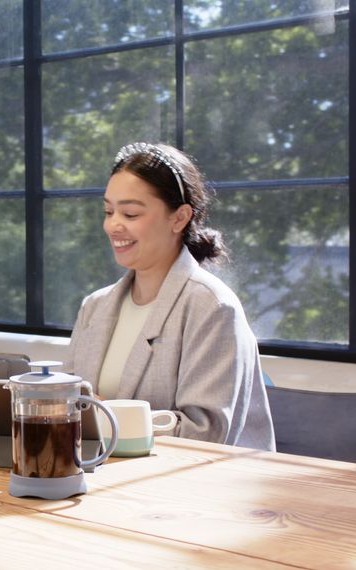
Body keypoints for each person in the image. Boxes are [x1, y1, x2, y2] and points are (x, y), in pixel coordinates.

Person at [68, 142, 275, 451]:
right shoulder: (94, 307)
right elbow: (73, 405)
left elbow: (206, 433)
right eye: (109, 211)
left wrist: (105, 416)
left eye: (131, 213)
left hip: (192, 490)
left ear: (179, 218)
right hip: (106, 479)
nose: (113, 225)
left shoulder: (212, 306)